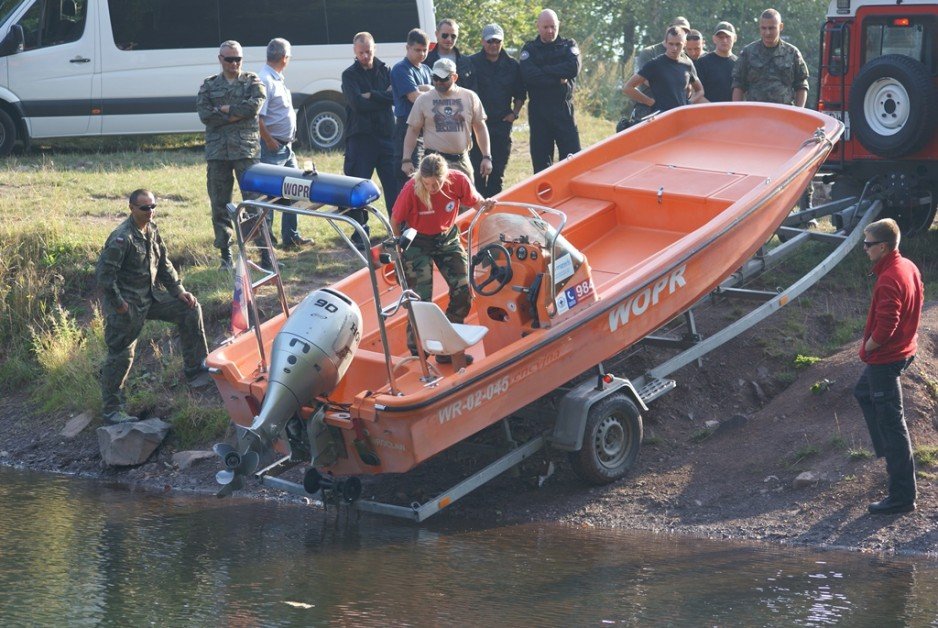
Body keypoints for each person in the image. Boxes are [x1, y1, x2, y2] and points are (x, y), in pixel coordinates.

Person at [96, 190, 211, 425]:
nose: (150, 211)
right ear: (131, 208)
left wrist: (179, 291)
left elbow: (164, 263)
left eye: (153, 206)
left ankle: (195, 369)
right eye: (144, 208)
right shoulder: (122, 238)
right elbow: (105, 277)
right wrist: (119, 305)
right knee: (120, 355)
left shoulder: (152, 229)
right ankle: (112, 410)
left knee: (190, 309)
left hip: (151, 298)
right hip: (128, 306)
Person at [390, 154, 494, 363]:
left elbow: (477, 202)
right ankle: (418, 352)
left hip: (446, 237)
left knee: (464, 290)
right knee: (420, 299)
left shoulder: (458, 181)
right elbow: (395, 219)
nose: (432, 187)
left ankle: (447, 345)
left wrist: (487, 203)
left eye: (437, 182)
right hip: (417, 242)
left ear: (445, 176)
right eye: (427, 183)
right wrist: (398, 249)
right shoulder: (412, 188)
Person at [854, 219, 923, 515]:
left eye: (867, 245)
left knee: (894, 426)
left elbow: (886, 326)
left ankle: (902, 498)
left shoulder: (888, 278)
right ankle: (888, 456)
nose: (864, 249)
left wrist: (867, 347)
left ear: (882, 247)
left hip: (887, 359)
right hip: (904, 351)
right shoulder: (907, 265)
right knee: (862, 392)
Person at [196, 40, 266, 270]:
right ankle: (225, 255)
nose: (234, 63)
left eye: (238, 59)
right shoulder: (208, 85)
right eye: (229, 59)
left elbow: (253, 107)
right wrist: (237, 113)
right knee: (220, 203)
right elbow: (205, 114)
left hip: (246, 152)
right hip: (218, 153)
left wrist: (225, 110)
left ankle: (264, 255)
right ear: (220, 59)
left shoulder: (252, 81)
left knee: (254, 203)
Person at [342, 32, 398, 250]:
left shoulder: (386, 71)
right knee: (358, 187)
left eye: (369, 51)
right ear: (355, 52)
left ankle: (396, 229)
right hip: (361, 138)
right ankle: (359, 232)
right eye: (361, 52)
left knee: (393, 186)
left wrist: (371, 95)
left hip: (386, 137)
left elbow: (393, 97)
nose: (366, 56)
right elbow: (357, 104)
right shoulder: (349, 75)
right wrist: (380, 96)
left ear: (374, 48)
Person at [401, 58, 492, 183]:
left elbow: (480, 127)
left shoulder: (469, 97)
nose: (438, 82)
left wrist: (486, 156)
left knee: (467, 200)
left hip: (461, 160)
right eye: (435, 78)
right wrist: (406, 159)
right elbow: (413, 130)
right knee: (433, 201)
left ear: (454, 77)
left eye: (443, 78)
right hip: (434, 162)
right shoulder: (423, 100)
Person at [257, 37, 311, 250]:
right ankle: (266, 243)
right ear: (284, 57)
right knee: (270, 197)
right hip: (273, 147)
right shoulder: (265, 80)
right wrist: (269, 140)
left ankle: (291, 236)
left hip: (286, 148)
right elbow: (258, 118)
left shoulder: (276, 78)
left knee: (295, 190)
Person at [520, 9, 581, 173]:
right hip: (539, 111)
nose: (550, 31)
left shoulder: (569, 45)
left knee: (573, 160)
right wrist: (557, 79)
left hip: (563, 110)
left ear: (558, 25)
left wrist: (543, 71)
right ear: (538, 26)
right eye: (546, 27)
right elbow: (530, 76)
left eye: (553, 27)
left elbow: (573, 68)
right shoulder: (530, 49)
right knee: (541, 165)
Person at [469, 23, 525, 197]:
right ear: (483, 42)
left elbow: (521, 93)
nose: (494, 44)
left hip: (501, 125)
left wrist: (514, 113)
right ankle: (475, 217)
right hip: (477, 126)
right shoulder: (471, 63)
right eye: (490, 41)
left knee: (497, 176)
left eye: (497, 41)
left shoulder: (512, 65)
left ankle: (493, 215)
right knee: (476, 176)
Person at [732, 9, 809, 106]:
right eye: (763, 28)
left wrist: (799, 113)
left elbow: (801, 85)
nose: (767, 33)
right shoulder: (748, 52)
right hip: (755, 114)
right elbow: (738, 85)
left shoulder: (792, 53)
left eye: (771, 28)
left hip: (784, 114)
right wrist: (738, 113)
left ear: (781, 27)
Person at [623, 27, 702, 114]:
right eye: (671, 44)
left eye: (678, 44)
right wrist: (650, 102)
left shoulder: (688, 65)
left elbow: (700, 90)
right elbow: (628, 88)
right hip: (660, 118)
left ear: (685, 44)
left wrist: (689, 103)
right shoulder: (654, 64)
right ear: (666, 43)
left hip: (682, 117)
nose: (674, 48)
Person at [391, 29, 433, 189]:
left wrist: (425, 89)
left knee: (426, 177)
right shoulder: (401, 69)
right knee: (409, 178)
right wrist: (429, 89)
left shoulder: (427, 70)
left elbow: (437, 96)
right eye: (417, 50)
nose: (422, 54)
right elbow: (415, 97)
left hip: (426, 128)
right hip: (407, 127)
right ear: (407, 48)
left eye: (425, 50)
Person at [631, 17, 692, 121]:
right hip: (649, 110)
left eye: (685, 31)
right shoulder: (650, 52)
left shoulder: (686, 59)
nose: (681, 32)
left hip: (676, 112)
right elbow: (644, 81)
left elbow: (689, 87)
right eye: (679, 29)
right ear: (668, 30)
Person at [424, 18, 476, 92]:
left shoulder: (466, 61)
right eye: (445, 35)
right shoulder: (425, 60)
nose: (449, 39)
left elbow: (473, 90)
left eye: (453, 36)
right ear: (436, 34)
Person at [694, 22, 738, 103]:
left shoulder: (739, 63)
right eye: (720, 37)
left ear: (735, 38)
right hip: (708, 112)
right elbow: (696, 94)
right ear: (714, 39)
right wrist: (716, 111)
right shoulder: (703, 62)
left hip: (734, 113)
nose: (724, 40)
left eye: (728, 37)